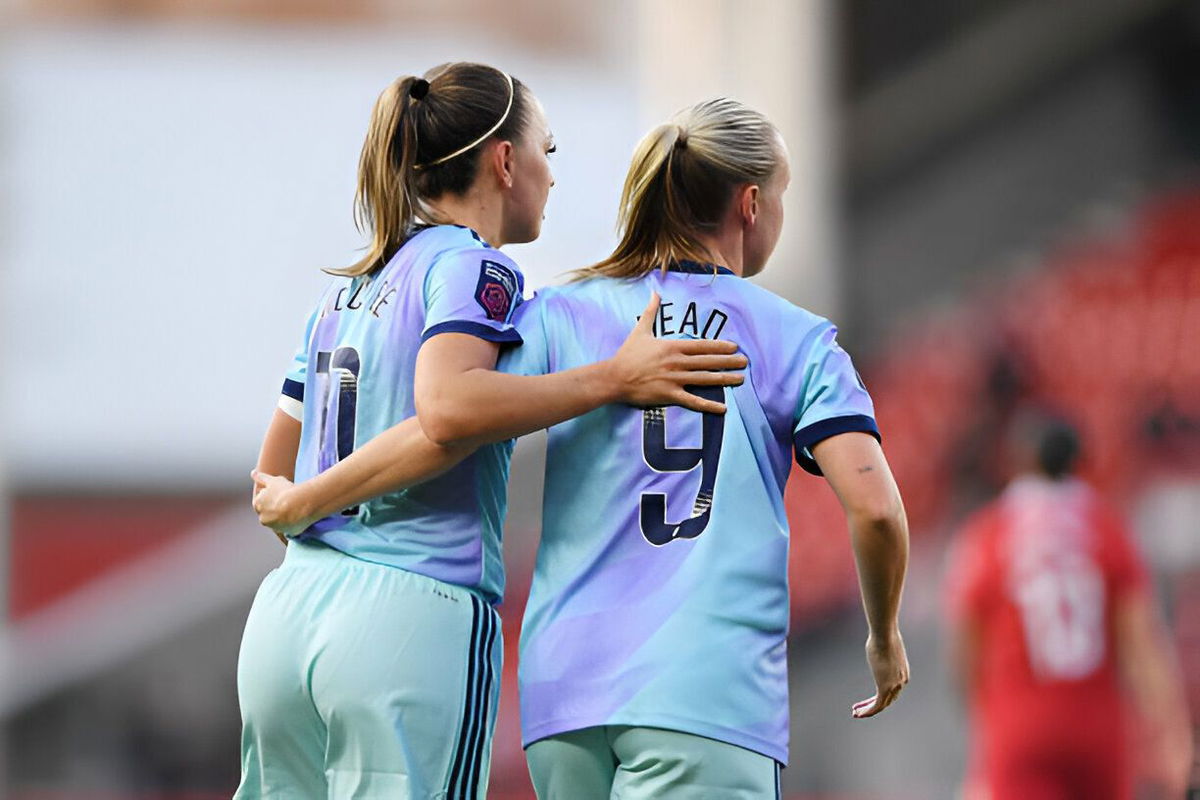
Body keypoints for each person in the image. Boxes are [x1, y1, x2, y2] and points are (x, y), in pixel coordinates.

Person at [254, 98, 910, 798]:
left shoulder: (558, 315)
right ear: (751, 203)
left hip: (563, 698)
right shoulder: (797, 339)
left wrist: (310, 497)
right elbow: (874, 511)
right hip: (704, 695)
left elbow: (439, 423)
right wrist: (884, 636)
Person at [945, 413, 1193, 800]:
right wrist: (1173, 732)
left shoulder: (987, 534)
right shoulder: (1107, 528)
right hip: (1096, 724)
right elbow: (1142, 644)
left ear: (1015, 460)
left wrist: (985, 729)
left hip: (1019, 723)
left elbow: (964, 653)